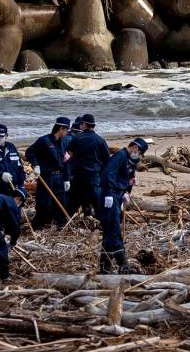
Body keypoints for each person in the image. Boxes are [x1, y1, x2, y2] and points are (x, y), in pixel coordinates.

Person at [98, 137, 147, 274]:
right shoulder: (120, 156)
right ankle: (123, 265)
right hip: (110, 195)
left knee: (109, 232)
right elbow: (108, 174)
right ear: (135, 148)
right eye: (140, 152)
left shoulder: (130, 159)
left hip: (118, 195)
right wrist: (108, 193)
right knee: (114, 229)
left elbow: (128, 177)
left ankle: (104, 266)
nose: (139, 156)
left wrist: (125, 192)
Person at [25, 117, 72, 229]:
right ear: (61, 128)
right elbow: (30, 152)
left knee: (61, 201)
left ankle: (60, 224)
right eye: (66, 130)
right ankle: (38, 225)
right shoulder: (44, 140)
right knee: (44, 202)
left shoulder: (64, 142)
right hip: (47, 176)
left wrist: (67, 178)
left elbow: (66, 161)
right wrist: (36, 165)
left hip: (59, 177)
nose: (67, 132)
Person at [66, 114, 110, 218]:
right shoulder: (100, 140)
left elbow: (70, 154)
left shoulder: (76, 138)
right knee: (96, 203)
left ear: (85, 125)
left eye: (81, 123)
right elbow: (107, 160)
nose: (80, 125)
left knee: (73, 202)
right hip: (93, 177)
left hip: (78, 176)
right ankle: (101, 222)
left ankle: (64, 222)